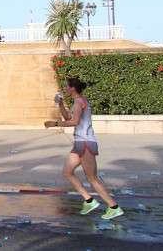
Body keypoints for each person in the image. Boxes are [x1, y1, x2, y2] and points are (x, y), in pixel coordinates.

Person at [44, 77, 123, 220]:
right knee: (67, 172)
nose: (66, 89)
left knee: (92, 178)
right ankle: (89, 200)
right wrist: (61, 104)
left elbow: (74, 122)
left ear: (73, 88)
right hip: (79, 143)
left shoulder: (80, 102)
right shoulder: (78, 102)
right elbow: (68, 116)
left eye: (67, 87)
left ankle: (114, 207)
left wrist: (54, 123)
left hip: (86, 143)